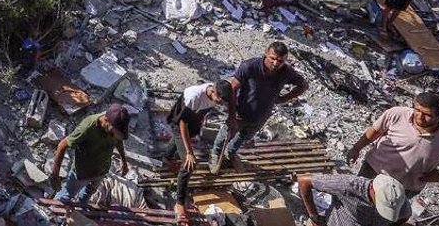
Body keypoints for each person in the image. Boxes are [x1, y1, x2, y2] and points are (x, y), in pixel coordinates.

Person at [348, 92, 439, 195]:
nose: (420, 116)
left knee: (380, 217)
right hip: (373, 171)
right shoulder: (397, 114)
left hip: (404, 187)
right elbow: (374, 131)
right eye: (417, 110)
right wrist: (356, 148)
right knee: (354, 199)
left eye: (428, 115)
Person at [211, 42, 308, 172]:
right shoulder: (249, 67)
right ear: (266, 53)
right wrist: (232, 116)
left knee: (243, 136)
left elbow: (303, 85)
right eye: (272, 58)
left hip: (261, 115)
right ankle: (215, 155)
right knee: (226, 134)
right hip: (241, 111)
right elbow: (232, 89)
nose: (275, 63)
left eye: (280, 61)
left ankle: (231, 153)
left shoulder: (286, 72)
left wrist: (282, 99)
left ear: (285, 60)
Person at [166, 81, 232, 221]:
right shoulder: (194, 97)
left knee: (184, 140)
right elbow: (182, 124)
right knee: (189, 165)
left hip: (193, 121)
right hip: (180, 123)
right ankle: (179, 203)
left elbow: (206, 108)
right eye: (219, 99)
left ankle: (166, 158)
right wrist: (189, 153)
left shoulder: (216, 95)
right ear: (213, 90)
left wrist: (200, 121)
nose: (220, 102)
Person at [50, 104, 130, 204]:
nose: (115, 136)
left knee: (89, 192)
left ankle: (81, 206)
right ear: (105, 120)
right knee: (66, 195)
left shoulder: (114, 128)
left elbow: (118, 141)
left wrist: (124, 162)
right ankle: (52, 211)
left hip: (101, 171)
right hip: (82, 173)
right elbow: (62, 145)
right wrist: (55, 174)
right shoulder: (88, 127)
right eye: (113, 133)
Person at [297, 172, 410, 226]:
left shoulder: (398, 199)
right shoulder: (348, 185)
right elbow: (304, 181)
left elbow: (405, 215)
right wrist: (314, 217)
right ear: (372, 191)